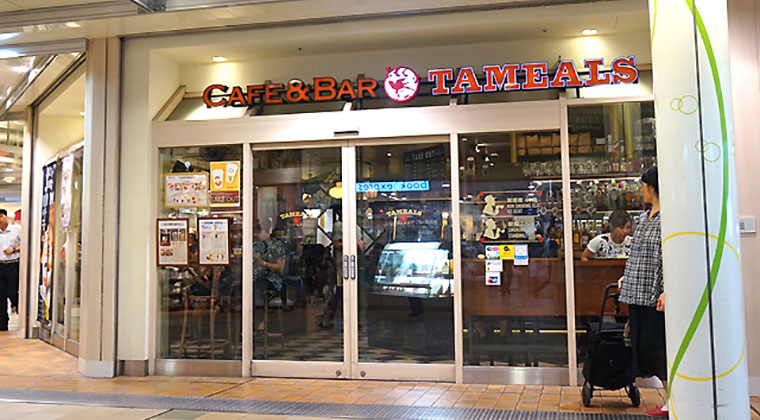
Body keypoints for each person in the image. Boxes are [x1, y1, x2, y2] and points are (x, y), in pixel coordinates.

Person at [617, 167, 667, 417]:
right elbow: (637, 253)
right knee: (646, 348)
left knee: (659, 348)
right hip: (638, 292)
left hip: (654, 294)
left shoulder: (668, 218)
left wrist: (667, 290)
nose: (641, 191)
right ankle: (672, 400)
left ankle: (675, 400)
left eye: (643, 186)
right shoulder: (645, 217)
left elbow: (669, 256)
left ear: (652, 188)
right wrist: (626, 277)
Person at [0, 209, 20, 331]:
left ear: (4, 217)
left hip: (14, 265)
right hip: (0, 265)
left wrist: (14, 249)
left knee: (12, 292)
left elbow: (27, 244)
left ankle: (23, 313)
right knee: (1, 296)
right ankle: (2, 324)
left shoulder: (16, 230)